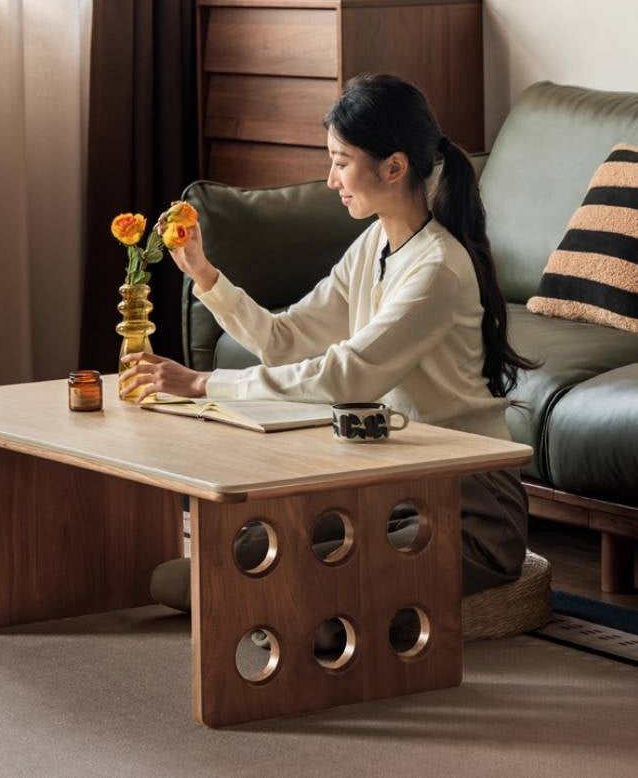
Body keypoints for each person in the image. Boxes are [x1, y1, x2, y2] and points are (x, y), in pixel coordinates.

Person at [119, 73, 540, 621]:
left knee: (266, 584)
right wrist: (204, 275)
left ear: (394, 167)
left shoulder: (436, 269)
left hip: (469, 509)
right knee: (224, 562)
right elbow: (285, 339)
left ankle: (322, 633)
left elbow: (347, 377)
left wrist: (205, 383)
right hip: (393, 490)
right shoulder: (375, 243)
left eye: (341, 162)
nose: (330, 179)